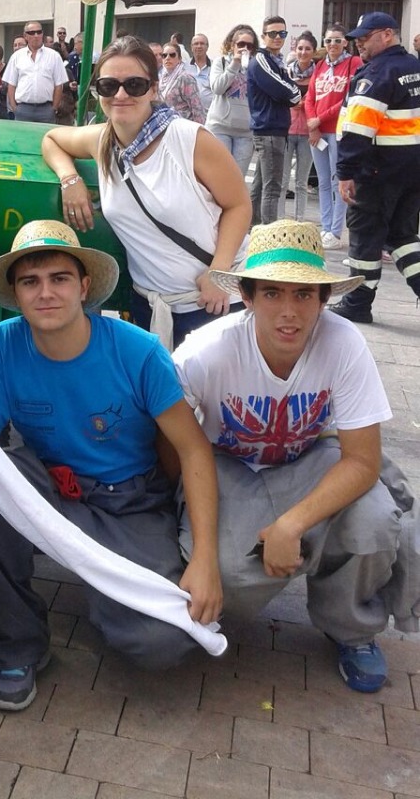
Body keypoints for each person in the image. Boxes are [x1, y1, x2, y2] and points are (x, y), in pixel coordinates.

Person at [0, 220, 222, 712]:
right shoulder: (4, 344)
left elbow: (194, 451)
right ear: (16, 293)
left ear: (84, 287)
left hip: (131, 502)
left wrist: (206, 559)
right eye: (30, 281)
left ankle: (111, 591)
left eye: (59, 278)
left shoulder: (139, 351)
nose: (45, 293)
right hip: (52, 494)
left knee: (162, 643)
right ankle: (16, 644)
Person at [174, 219, 420, 693]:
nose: (289, 312)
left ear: (324, 300)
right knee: (227, 571)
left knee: (374, 522)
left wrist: (291, 525)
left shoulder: (343, 342)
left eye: (304, 295)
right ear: (246, 297)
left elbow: (363, 460)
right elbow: (174, 449)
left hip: (312, 460)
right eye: (272, 293)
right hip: (227, 469)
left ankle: (351, 629)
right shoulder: (203, 354)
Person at [42, 36, 251, 349]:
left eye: (135, 85)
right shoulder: (103, 142)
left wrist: (217, 273)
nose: (121, 95)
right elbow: (52, 140)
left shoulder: (188, 139)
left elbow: (239, 205)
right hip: (151, 309)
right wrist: (70, 180)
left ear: (154, 89)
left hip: (214, 302)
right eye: (109, 86)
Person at [328, 11, 420, 324]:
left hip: (378, 174)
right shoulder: (415, 68)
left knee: (365, 238)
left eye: (365, 38)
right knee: (402, 235)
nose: (359, 45)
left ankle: (357, 303)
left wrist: (346, 173)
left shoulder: (378, 74)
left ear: (387, 34)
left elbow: (358, 130)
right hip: (411, 173)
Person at [304, 23, 360, 251]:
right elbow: (310, 97)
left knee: (339, 182)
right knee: (323, 183)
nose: (333, 45)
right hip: (318, 131)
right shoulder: (319, 65)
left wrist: (321, 118)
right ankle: (325, 227)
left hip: (338, 131)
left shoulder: (353, 63)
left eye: (337, 40)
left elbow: (349, 96)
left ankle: (336, 232)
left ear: (345, 42)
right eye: (328, 41)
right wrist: (312, 124)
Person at [248, 15, 302, 225]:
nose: (278, 37)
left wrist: (292, 92)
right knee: (272, 187)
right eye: (272, 34)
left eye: (282, 33)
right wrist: (295, 94)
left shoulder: (275, 61)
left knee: (262, 185)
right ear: (263, 36)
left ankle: (253, 230)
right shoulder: (262, 60)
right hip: (269, 129)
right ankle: (267, 234)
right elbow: (285, 91)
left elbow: (287, 89)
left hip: (272, 129)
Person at [206, 23, 257, 177]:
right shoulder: (220, 62)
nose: (245, 48)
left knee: (237, 178)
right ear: (232, 45)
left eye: (249, 45)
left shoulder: (255, 66)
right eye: (241, 44)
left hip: (245, 131)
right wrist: (234, 64)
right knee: (219, 176)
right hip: (220, 127)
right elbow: (217, 88)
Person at [278, 32, 317, 222]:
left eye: (307, 49)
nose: (303, 52)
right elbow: (277, 97)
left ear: (313, 51)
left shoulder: (319, 74)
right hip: (286, 130)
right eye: (300, 48)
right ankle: (280, 220)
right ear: (295, 50)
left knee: (301, 182)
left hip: (308, 132)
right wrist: (290, 103)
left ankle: (300, 220)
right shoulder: (286, 72)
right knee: (283, 180)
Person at [2, 21, 68, 123]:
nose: (36, 35)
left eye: (39, 32)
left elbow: (59, 85)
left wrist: (54, 108)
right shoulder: (17, 56)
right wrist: (15, 108)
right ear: (25, 36)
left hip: (46, 109)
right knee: (22, 138)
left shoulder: (54, 56)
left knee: (45, 138)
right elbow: (11, 84)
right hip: (23, 109)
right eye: (32, 33)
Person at [158, 42, 205, 123]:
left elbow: (197, 108)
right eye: (164, 55)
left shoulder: (185, 78)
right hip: (166, 125)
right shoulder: (161, 77)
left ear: (179, 59)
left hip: (184, 126)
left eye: (172, 55)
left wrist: (199, 131)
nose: (168, 58)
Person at [187, 33, 212, 113]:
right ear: (191, 47)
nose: (199, 46)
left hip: (209, 114)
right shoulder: (183, 67)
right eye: (196, 44)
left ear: (207, 47)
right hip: (189, 114)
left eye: (202, 43)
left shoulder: (215, 66)